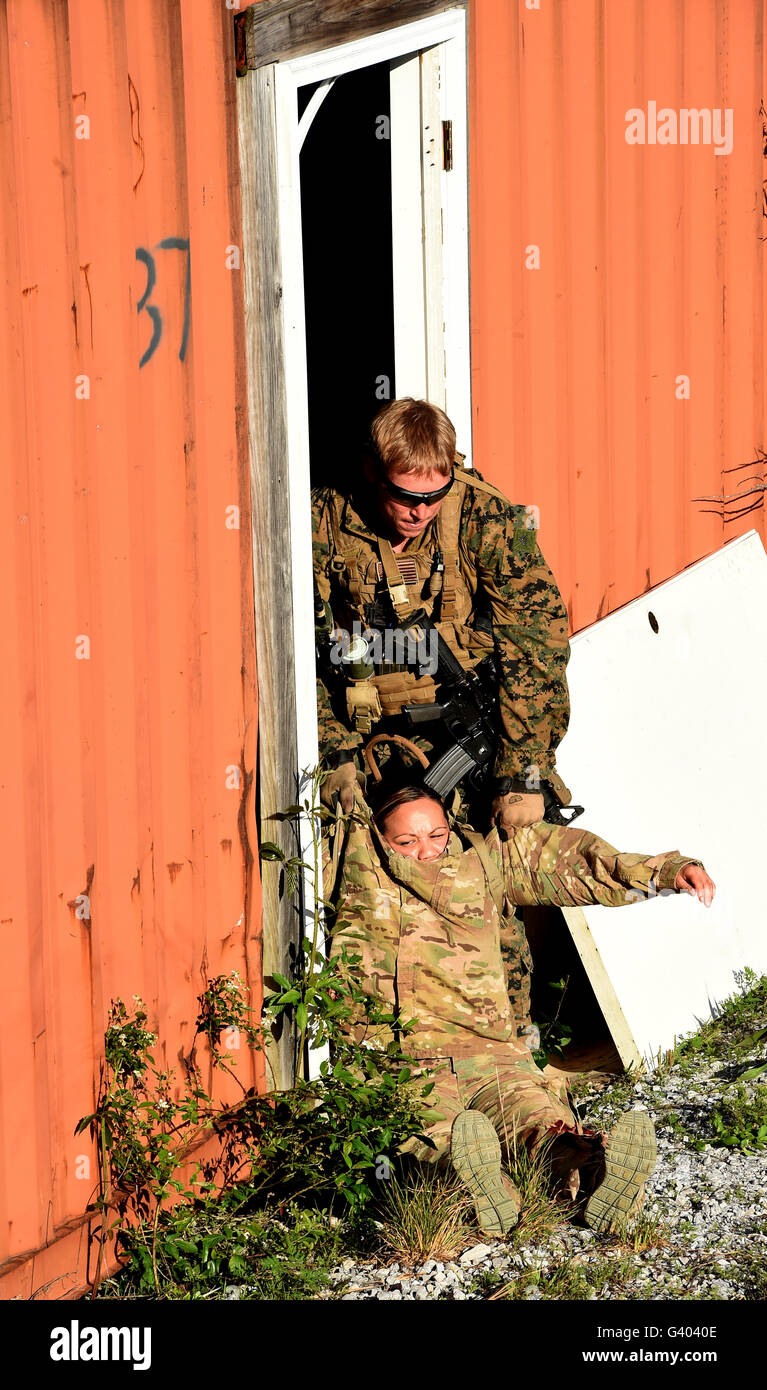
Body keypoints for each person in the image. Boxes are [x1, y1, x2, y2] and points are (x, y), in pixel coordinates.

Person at [327, 781, 715, 1235]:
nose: (427, 851)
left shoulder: (485, 861)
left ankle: (596, 1174)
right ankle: (481, 1184)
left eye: (436, 834)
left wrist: (666, 871)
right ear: (377, 838)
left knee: (540, 1125)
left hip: (496, 1061)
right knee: (431, 1143)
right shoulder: (361, 866)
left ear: (450, 827)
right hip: (406, 1069)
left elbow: (571, 859)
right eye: (406, 842)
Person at [312, 397, 574, 834]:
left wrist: (522, 771)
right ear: (372, 470)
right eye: (407, 496)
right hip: (366, 736)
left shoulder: (489, 515)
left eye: (436, 495)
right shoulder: (324, 518)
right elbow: (297, 645)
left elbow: (538, 641)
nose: (422, 511)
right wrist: (333, 746)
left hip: (469, 728)